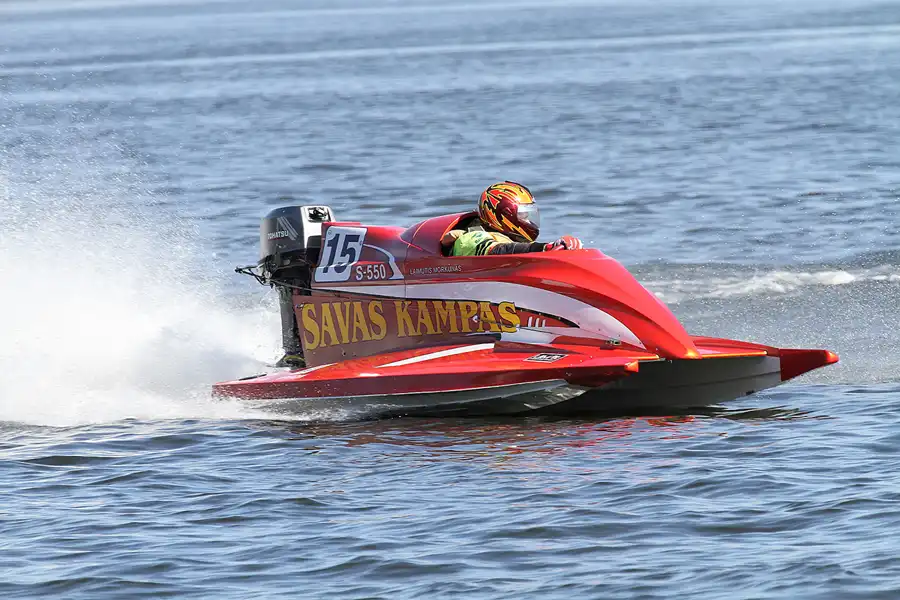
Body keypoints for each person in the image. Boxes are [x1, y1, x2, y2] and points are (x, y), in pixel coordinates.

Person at [441, 181, 583, 255]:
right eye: (523, 214)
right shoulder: (472, 238)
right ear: (505, 215)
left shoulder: (508, 239)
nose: (528, 220)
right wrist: (546, 247)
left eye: (529, 214)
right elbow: (500, 251)